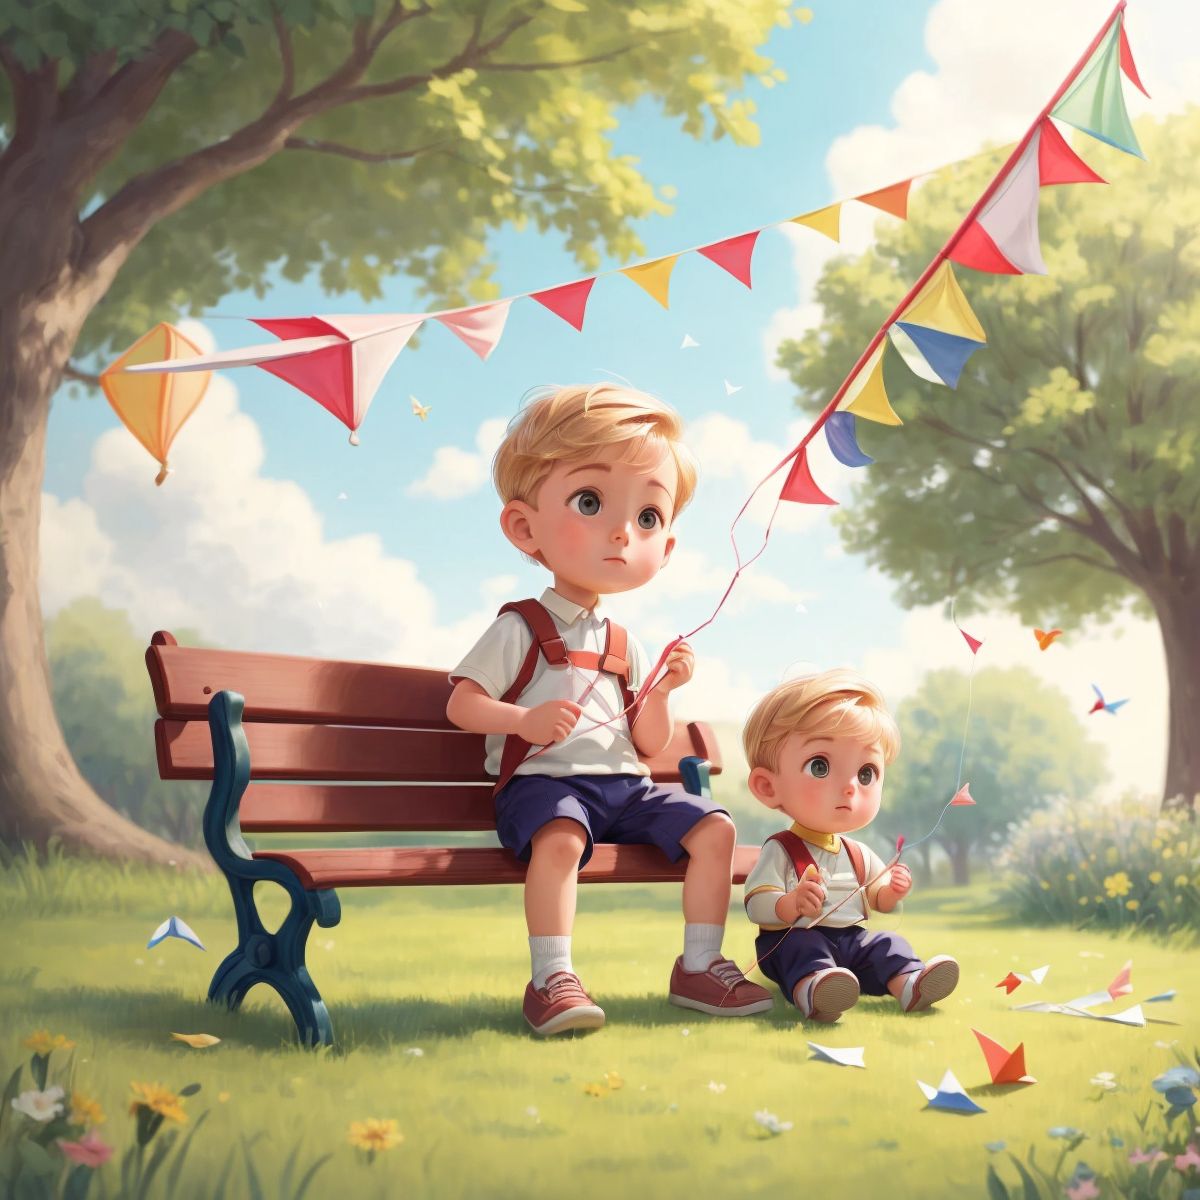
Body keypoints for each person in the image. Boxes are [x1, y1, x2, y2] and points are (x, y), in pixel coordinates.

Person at [446, 383, 772, 1035]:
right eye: (589, 502)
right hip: (542, 788)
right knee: (562, 838)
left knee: (715, 828)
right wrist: (523, 723)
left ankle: (700, 965)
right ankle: (552, 978)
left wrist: (663, 693)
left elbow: (649, 744)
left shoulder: (626, 643)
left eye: (648, 517)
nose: (623, 532)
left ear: (667, 545)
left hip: (624, 790)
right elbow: (463, 704)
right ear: (523, 526)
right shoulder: (521, 627)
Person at [741, 669, 959, 1022]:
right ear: (768, 786)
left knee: (887, 944)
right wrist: (788, 904)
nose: (849, 788)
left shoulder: (857, 853)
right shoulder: (782, 849)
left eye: (866, 774)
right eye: (820, 766)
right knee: (803, 949)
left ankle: (910, 984)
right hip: (791, 941)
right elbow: (756, 903)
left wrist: (893, 892)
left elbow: (878, 899)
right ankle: (814, 991)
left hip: (851, 942)